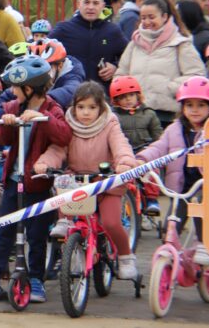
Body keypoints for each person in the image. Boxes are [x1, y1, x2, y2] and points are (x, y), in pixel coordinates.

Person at [0, 55, 72, 304]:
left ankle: (35, 279)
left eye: (14, 87)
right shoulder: (12, 107)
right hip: (14, 181)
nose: (11, 92)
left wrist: (44, 121)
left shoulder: (52, 109)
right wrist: (9, 123)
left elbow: (64, 135)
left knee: (36, 233)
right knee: (5, 230)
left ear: (29, 88)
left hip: (38, 183)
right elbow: (1, 138)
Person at [36, 81, 139, 280]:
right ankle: (70, 241)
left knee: (110, 222)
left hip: (106, 182)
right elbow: (57, 149)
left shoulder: (110, 124)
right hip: (78, 181)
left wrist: (125, 162)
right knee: (64, 204)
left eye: (92, 108)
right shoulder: (68, 124)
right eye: (81, 107)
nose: (85, 113)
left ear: (101, 108)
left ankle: (126, 256)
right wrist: (45, 162)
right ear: (74, 107)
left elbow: (121, 145)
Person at [136, 76, 209, 266]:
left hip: (208, 188)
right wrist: (141, 159)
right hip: (180, 189)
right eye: (189, 105)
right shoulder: (174, 129)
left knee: (200, 207)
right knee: (171, 226)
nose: (195, 110)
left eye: (201, 105)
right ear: (182, 107)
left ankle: (204, 244)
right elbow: (159, 147)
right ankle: (171, 259)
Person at [115, 0, 205, 126]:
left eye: (151, 17)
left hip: (167, 117)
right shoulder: (134, 44)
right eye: (143, 18)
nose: (147, 22)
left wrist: (170, 88)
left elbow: (197, 76)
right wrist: (126, 94)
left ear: (164, 17)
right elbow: (121, 74)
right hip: (135, 116)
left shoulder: (180, 44)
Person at [48, 0, 129, 87]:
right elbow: (44, 52)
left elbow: (128, 55)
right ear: (78, 4)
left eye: (95, 3)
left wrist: (115, 67)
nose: (91, 7)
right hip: (69, 96)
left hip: (102, 97)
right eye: (86, 2)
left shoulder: (112, 31)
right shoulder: (63, 30)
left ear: (103, 6)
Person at [109, 75, 163, 215]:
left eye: (131, 95)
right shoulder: (113, 115)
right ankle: (127, 203)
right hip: (123, 152)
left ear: (138, 95)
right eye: (123, 96)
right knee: (124, 174)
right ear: (116, 100)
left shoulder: (148, 114)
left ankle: (151, 200)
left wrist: (158, 150)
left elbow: (158, 137)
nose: (128, 99)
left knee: (151, 170)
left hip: (143, 150)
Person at [0, 38, 85, 109]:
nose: (40, 72)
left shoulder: (71, 73)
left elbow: (72, 89)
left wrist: (40, 101)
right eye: (35, 68)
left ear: (60, 66)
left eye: (47, 67)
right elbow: (5, 98)